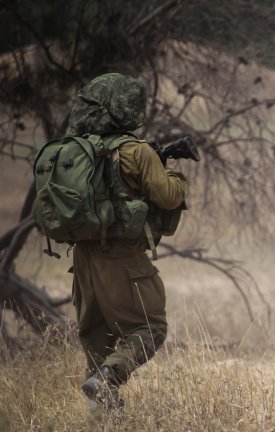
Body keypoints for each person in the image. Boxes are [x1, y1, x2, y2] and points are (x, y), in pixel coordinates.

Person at [67, 73, 189, 410]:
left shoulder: (77, 151)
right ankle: (108, 380)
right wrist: (177, 176)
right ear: (126, 108)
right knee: (151, 327)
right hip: (122, 256)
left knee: (97, 336)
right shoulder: (136, 151)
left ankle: (100, 414)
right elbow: (166, 196)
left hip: (82, 257)